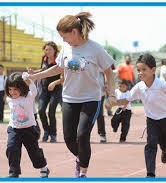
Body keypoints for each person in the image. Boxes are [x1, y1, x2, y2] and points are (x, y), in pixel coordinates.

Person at [28, 12, 116, 178]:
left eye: (64, 36)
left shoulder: (95, 49)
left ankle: (82, 173)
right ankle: (80, 158)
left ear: (74, 32)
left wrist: (111, 95)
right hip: (69, 98)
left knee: (82, 135)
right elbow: (58, 68)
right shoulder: (66, 48)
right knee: (69, 139)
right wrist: (35, 76)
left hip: (91, 99)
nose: (62, 40)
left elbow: (109, 72)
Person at [110, 53, 166, 178]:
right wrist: (114, 102)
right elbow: (127, 99)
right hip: (151, 120)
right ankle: (150, 173)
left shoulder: (161, 84)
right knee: (151, 144)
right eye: (138, 70)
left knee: (165, 142)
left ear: (153, 70)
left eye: (144, 69)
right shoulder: (139, 87)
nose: (140, 73)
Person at [5, 72, 49, 178]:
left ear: (22, 88)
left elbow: (34, 90)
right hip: (14, 129)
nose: (12, 92)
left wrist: (28, 80)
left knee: (34, 153)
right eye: (10, 89)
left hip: (29, 129)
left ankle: (43, 167)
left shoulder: (28, 97)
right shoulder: (9, 99)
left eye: (15, 89)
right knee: (11, 148)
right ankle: (13, 172)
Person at [27, 41, 63, 143]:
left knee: (51, 112)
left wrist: (55, 83)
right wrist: (34, 72)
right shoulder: (44, 58)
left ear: (55, 50)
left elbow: (63, 77)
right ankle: (46, 131)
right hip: (44, 89)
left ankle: (53, 134)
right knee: (41, 110)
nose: (47, 51)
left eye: (49, 49)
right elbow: (44, 70)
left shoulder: (59, 60)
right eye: (46, 49)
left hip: (55, 89)